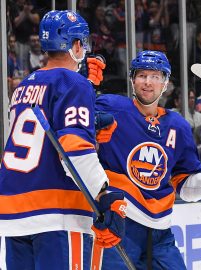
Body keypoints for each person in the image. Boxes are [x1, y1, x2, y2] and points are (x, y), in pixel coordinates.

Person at [94, 50, 201, 269]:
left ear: (165, 83)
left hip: (161, 233)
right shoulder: (110, 108)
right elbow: (71, 124)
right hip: (119, 223)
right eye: (142, 75)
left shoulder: (178, 125)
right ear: (132, 79)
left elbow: (183, 182)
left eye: (155, 76)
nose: (148, 82)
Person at [0, 10, 126, 270]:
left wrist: (90, 118)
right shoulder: (73, 83)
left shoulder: (25, 85)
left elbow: (44, 137)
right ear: (76, 45)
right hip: (57, 213)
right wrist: (103, 193)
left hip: (14, 211)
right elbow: (74, 150)